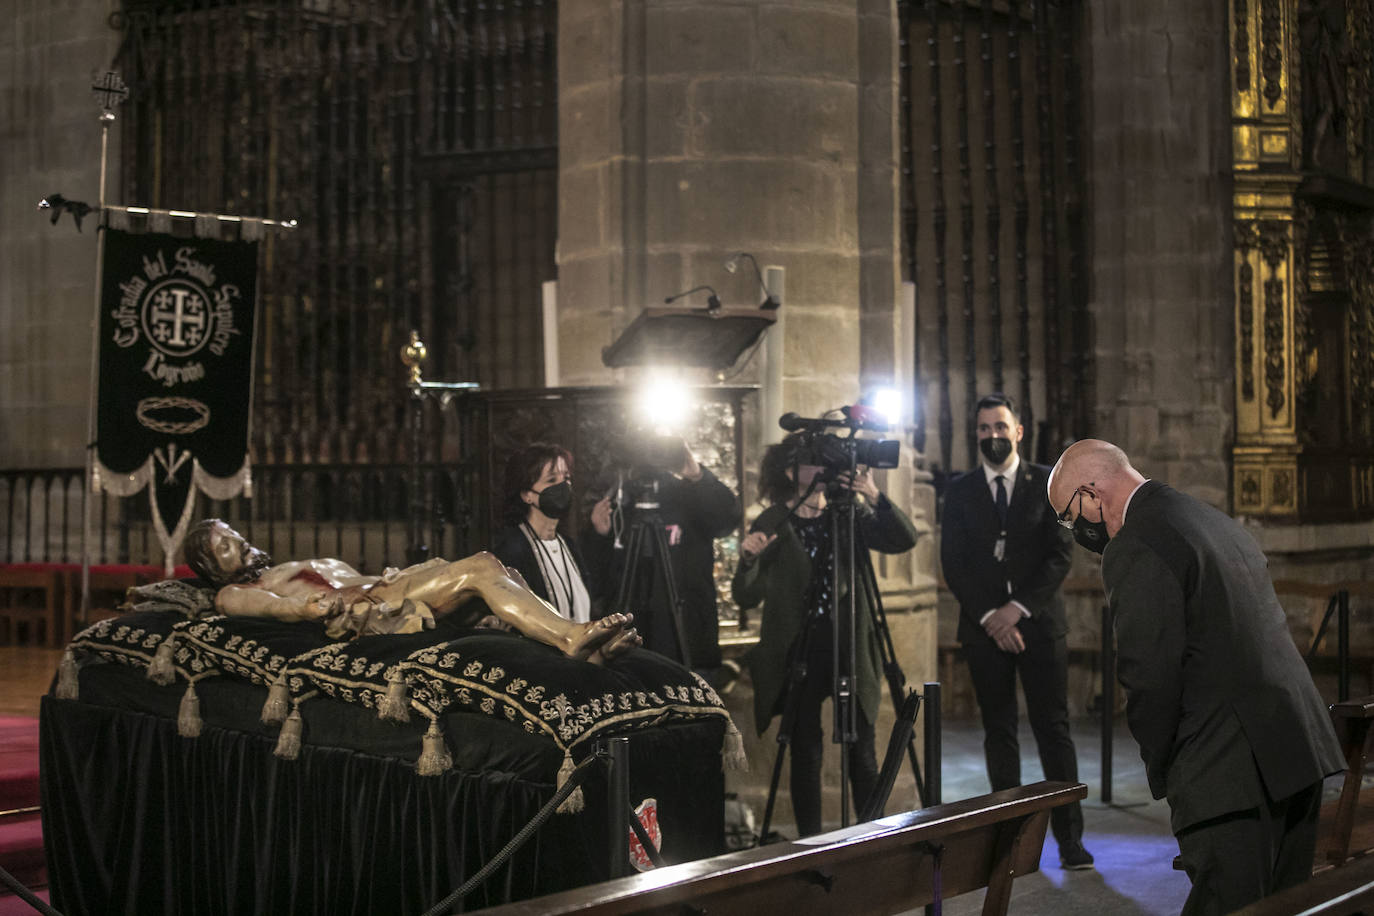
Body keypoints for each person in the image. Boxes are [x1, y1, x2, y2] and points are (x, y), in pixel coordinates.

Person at [1048, 439, 1344, 913]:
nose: (1073, 530)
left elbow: (1149, 677)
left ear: (1091, 494)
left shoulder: (1135, 544)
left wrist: (1165, 768)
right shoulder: (1208, 519)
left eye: (1067, 516)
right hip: (1294, 752)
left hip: (1227, 773)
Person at [732, 435, 918, 837]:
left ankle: (872, 840)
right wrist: (747, 560)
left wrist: (872, 494)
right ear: (790, 472)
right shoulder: (772, 522)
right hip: (798, 648)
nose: (824, 470)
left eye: (825, 462)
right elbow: (744, 595)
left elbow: (904, 539)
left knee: (861, 751)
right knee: (805, 753)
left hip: (848, 644)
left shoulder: (849, 512)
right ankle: (812, 844)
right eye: (813, 462)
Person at [940, 394, 1092, 869]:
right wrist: (992, 616)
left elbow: (1060, 555)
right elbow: (954, 564)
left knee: (1054, 731)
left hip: (1039, 626)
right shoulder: (960, 491)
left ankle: (1070, 841)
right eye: (983, 428)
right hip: (985, 630)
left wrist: (1017, 610)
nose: (992, 436)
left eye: (1000, 427)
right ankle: (1009, 844)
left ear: (1018, 431)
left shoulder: (1048, 482)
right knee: (998, 733)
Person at [182, 518, 639, 662]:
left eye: (231, 533)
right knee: (480, 567)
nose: (236, 541)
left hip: (383, 586)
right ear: (210, 567)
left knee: (499, 571)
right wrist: (305, 608)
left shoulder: (283, 564)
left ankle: (582, 642)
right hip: (367, 609)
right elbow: (275, 609)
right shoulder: (232, 594)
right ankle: (569, 637)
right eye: (223, 546)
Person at [592, 436, 738, 681]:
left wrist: (697, 476)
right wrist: (600, 536)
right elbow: (600, 575)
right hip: (635, 641)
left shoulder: (691, 495)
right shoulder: (622, 502)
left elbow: (727, 520)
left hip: (688, 634)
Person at [491, 442, 612, 624]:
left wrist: (598, 534)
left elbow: (596, 592)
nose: (563, 486)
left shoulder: (567, 545)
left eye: (566, 478)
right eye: (551, 480)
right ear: (527, 495)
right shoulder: (513, 550)